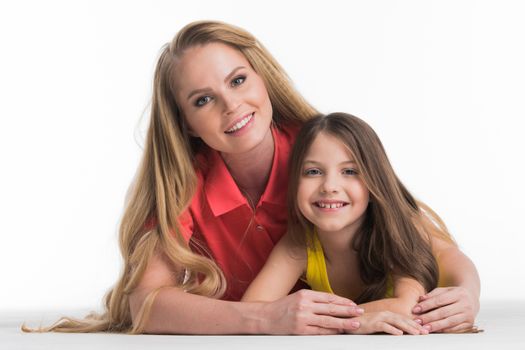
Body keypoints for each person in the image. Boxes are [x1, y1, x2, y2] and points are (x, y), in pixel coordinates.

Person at [24, 20, 479, 335]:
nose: (231, 106)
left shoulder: (323, 155)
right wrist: (266, 320)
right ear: (184, 122)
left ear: (263, 79)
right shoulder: (183, 188)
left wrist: (468, 294)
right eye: (203, 100)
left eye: (238, 81)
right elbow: (143, 303)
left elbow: (421, 239)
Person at [242, 112, 480, 334]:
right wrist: (356, 323)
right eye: (313, 172)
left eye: (349, 171)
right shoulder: (299, 243)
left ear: (374, 180)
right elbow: (253, 311)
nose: (330, 186)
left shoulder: (398, 228)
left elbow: (409, 306)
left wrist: (468, 295)